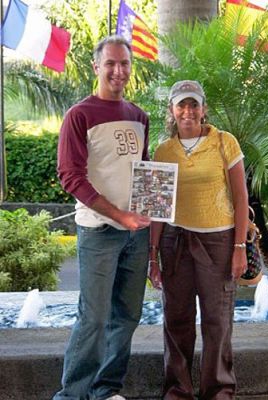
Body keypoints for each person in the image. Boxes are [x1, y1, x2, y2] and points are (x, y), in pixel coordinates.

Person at [53, 35, 151, 400]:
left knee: (126, 317)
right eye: (110, 63)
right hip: (98, 232)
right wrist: (119, 215)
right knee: (93, 319)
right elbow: (70, 176)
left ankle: (106, 390)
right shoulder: (80, 115)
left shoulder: (138, 116)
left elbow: (143, 173)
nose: (118, 70)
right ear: (97, 67)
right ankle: (72, 395)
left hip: (136, 235)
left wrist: (145, 218)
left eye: (124, 63)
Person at [149, 80, 249, 400]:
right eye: (182, 105)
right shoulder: (163, 150)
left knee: (216, 319)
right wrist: (153, 255)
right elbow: (156, 208)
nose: (188, 111)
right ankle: (177, 390)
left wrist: (239, 247)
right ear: (172, 110)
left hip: (218, 242)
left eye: (194, 104)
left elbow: (241, 197)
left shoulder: (224, 142)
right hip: (174, 242)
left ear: (203, 109)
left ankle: (218, 389)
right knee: (176, 318)